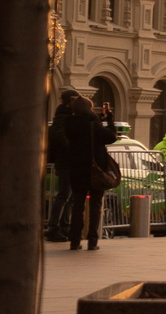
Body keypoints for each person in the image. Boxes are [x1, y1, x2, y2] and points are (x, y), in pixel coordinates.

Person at [48, 92, 119, 251]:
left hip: (76, 170)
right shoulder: (93, 125)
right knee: (95, 205)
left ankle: (74, 240)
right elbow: (111, 137)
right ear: (89, 110)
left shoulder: (68, 125)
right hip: (94, 170)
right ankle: (92, 240)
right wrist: (108, 120)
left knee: (77, 205)